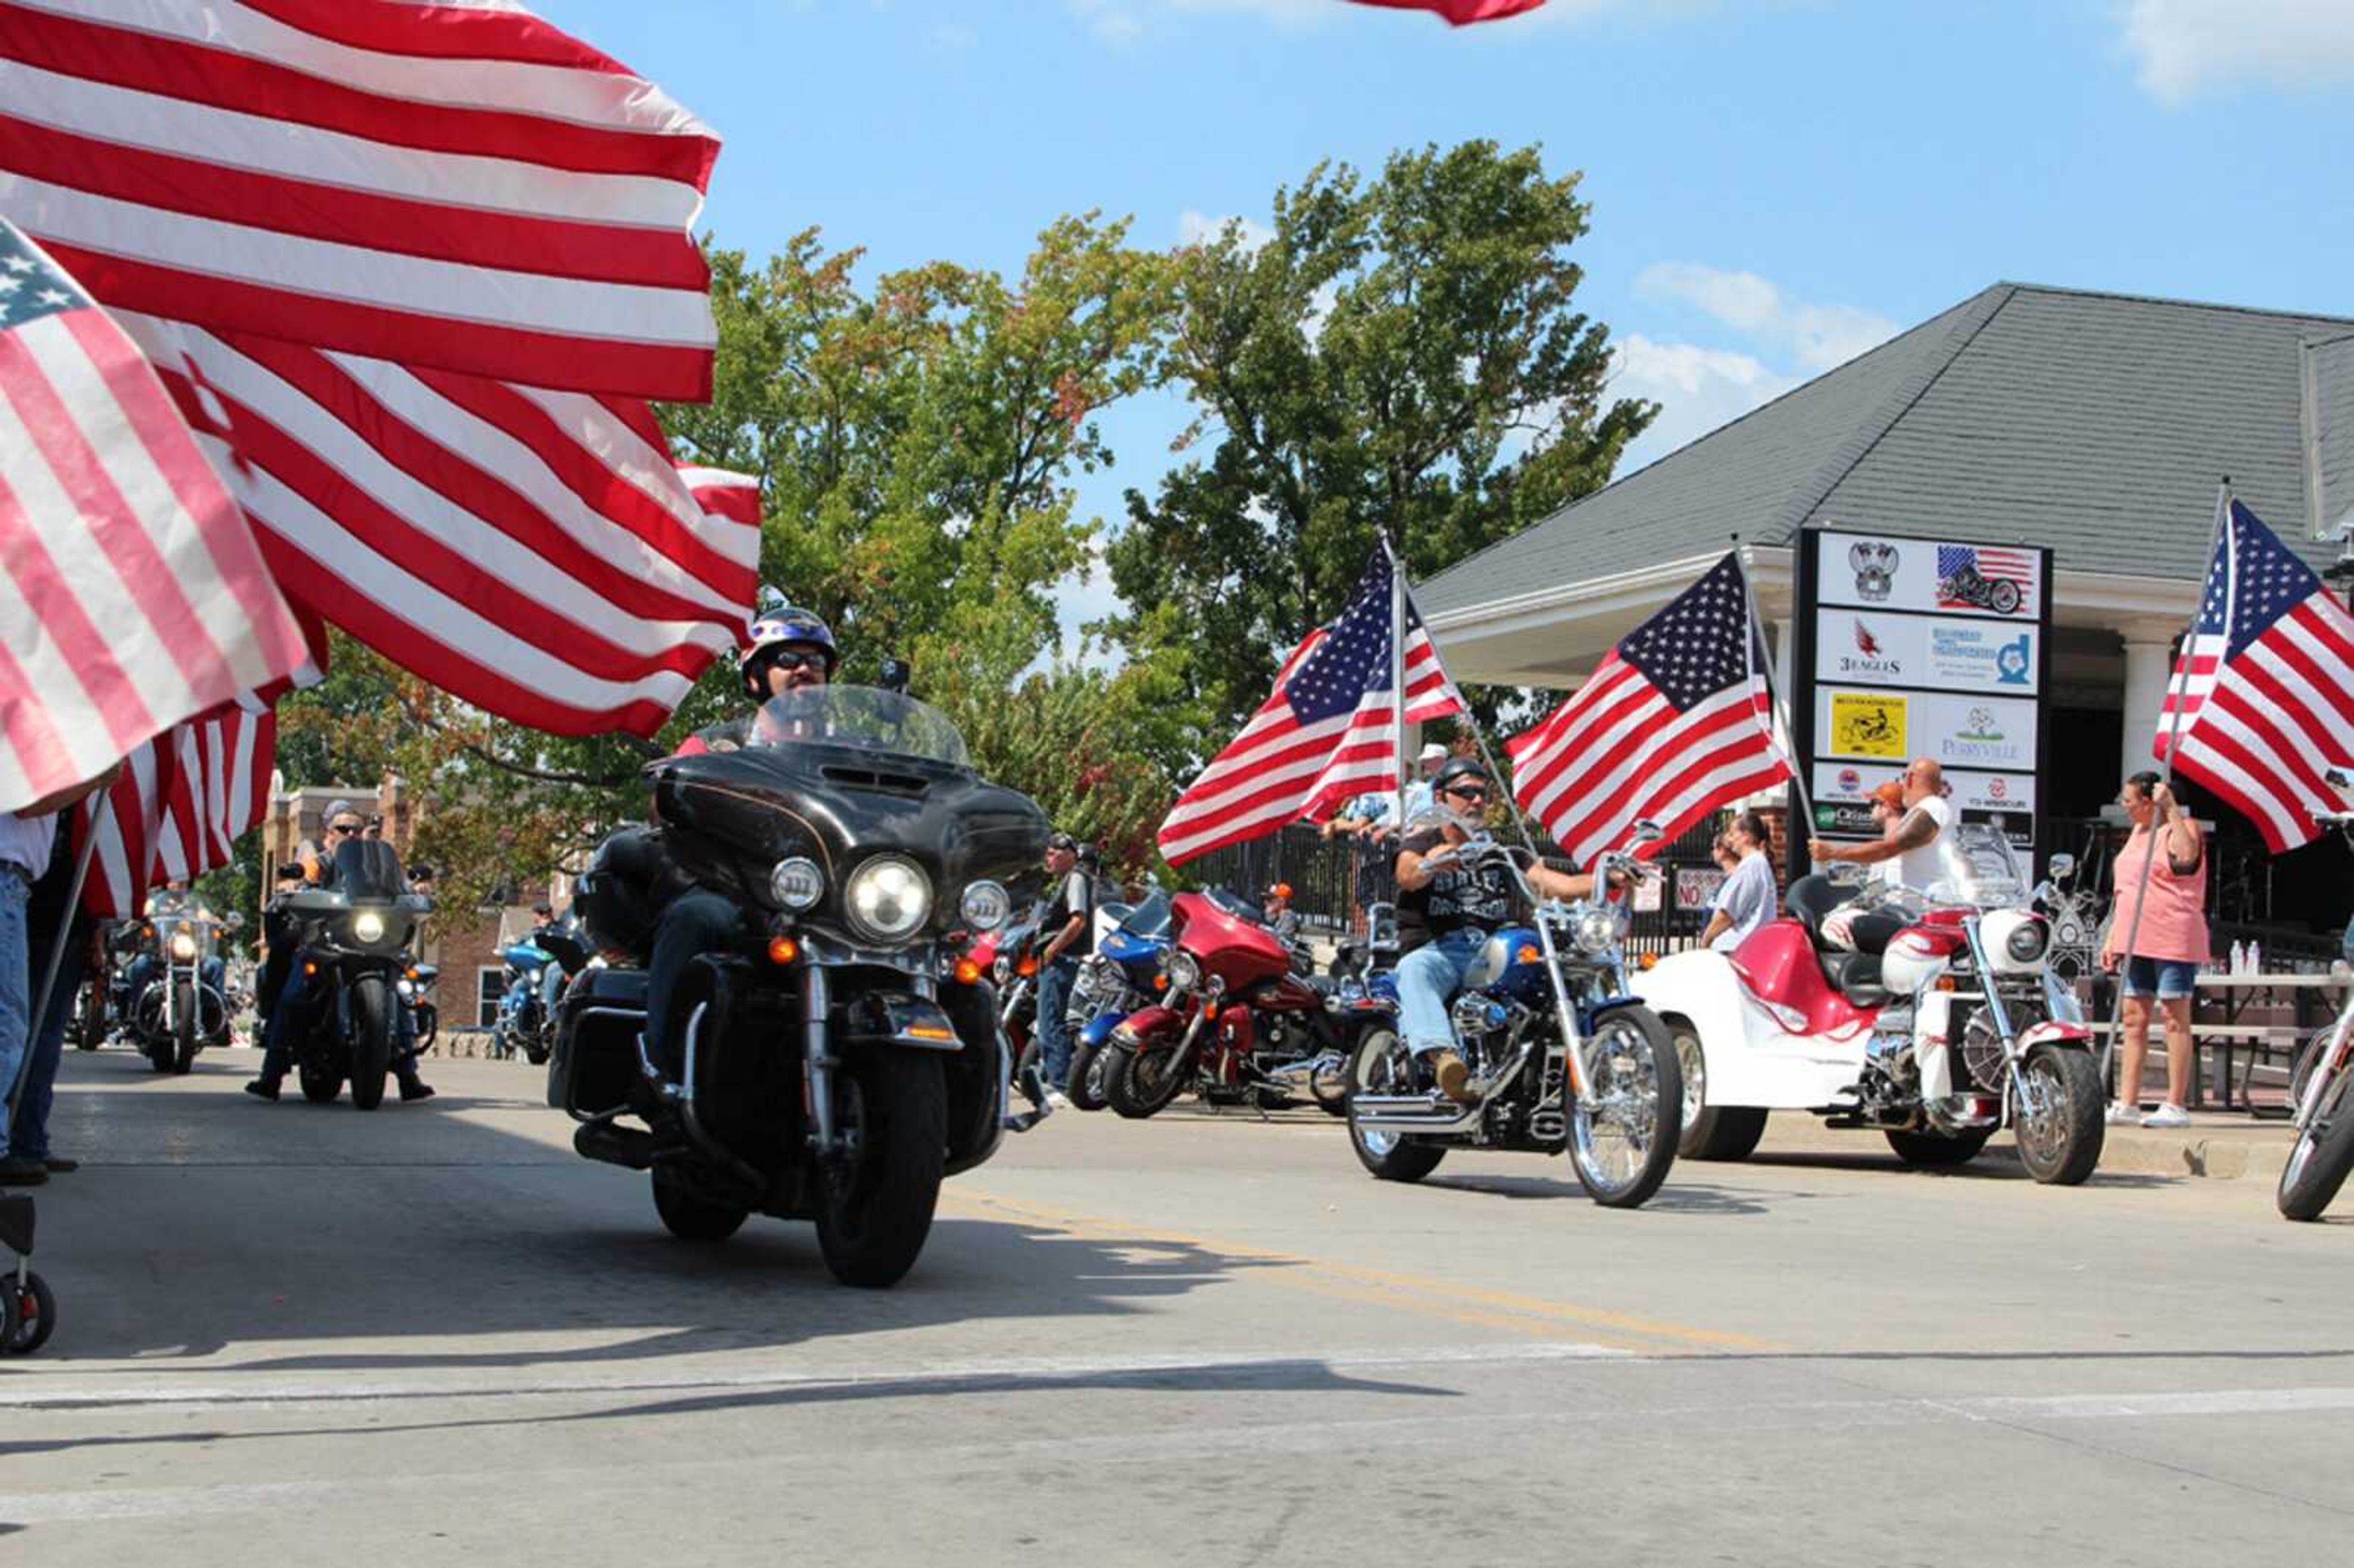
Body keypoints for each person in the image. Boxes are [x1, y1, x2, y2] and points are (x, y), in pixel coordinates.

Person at [642, 607, 838, 1084]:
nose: (803, 668)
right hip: (734, 887)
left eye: (815, 660)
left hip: (830, 898)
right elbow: (661, 803)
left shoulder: (852, 752)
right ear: (755, 677)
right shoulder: (717, 745)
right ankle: (660, 1073)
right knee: (696, 918)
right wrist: (685, 789)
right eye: (787, 658)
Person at [1393, 758, 1613, 1106]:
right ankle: (1443, 1058)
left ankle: (1592, 1056)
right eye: (1466, 792)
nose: (1477, 800)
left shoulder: (1505, 854)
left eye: (1483, 793)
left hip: (1496, 950)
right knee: (1414, 969)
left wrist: (1607, 878)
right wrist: (1431, 862)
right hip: (1440, 950)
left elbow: (1561, 885)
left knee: (1566, 974)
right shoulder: (1423, 842)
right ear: (1440, 798)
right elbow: (1407, 874)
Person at [246, 800, 435, 1103]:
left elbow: (400, 886)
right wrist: (293, 883)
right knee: (294, 994)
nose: (350, 833)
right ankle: (271, 1074)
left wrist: (415, 889)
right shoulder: (319, 862)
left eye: (356, 829)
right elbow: (301, 879)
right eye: (342, 828)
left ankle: (408, 1074)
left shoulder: (377, 866)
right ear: (328, 833)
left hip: (372, 944)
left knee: (399, 996)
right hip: (325, 945)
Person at [2, 761, 121, 1186]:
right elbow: (29, 805)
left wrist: (96, 933)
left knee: (36, 1035)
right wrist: (94, 779)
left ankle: (27, 1138)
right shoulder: (27, 752)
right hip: (19, 900)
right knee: (11, 1030)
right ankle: (13, 1143)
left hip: (53, 913)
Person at [2101, 771, 2206, 1130]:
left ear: (2150, 802)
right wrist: (2112, 936)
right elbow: (2124, 888)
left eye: (2129, 801)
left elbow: (2187, 858)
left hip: (2172, 933)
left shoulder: (2183, 826)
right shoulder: (2137, 832)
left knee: (2175, 1016)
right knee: (2133, 1019)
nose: (2125, 807)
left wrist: (2172, 809)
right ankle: (2128, 1101)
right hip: (2134, 936)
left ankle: (2175, 1103)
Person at [1808, 759, 1967, 952]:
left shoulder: (1932, 806)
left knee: (1832, 927)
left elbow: (1890, 847)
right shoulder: (1930, 810)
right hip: (1907, 918)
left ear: (1909, 779)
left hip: (1913, 920)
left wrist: (1834, 852)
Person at [1033, 832, 1095, 1108]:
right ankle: (1051, 1079)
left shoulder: (1077, 878)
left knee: (1051, 1022)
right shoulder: (1069, 881)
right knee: (1048, 1021)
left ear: (1071, 854)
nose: (1050, 858)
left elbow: (1078, 921)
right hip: (1060, 960)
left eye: (1054, 853)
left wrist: (1052, 949)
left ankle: (1059, 1086)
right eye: (1048, 853)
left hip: (1062, 961)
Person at [1699, 811, 1777, 953]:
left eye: (1732, 833)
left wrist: (1706, 938)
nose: (1730, 839)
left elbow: (1727, 914)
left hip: (1735, 949)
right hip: (1746, 948)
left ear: (1746, 836)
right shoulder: (1756, 864)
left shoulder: (1751, 866)